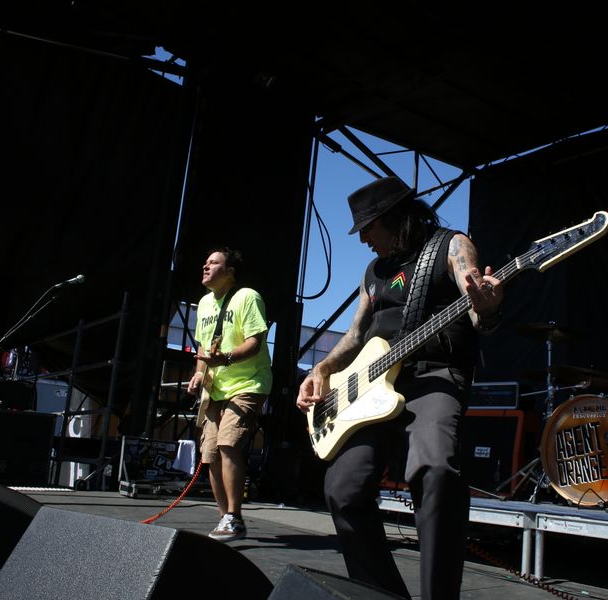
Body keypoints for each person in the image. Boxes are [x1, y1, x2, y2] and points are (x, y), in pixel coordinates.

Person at [296, 176, 504, 599]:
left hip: (433, 376)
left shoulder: (451, 246)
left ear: (395, 218)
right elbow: (356, 336)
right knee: (342, 487)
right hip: (371, 387)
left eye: (368, 229)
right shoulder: (373, 272)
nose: (364, 240)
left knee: (435, 471)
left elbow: (479, 314)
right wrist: (322, 368)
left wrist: (488, 308)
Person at [186, 246, 272, 542]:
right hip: (215, 389)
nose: (205, 266)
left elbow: (255, 342)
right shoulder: (204, 304)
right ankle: (225, 518)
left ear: (230, 271)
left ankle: (234, 517)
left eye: (213, 262)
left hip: (248, 383)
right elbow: (202, 347)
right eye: (205, 262)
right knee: (210, 454)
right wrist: (199, 373)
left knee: (228, 442)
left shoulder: (248, 296)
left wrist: (226, 359)